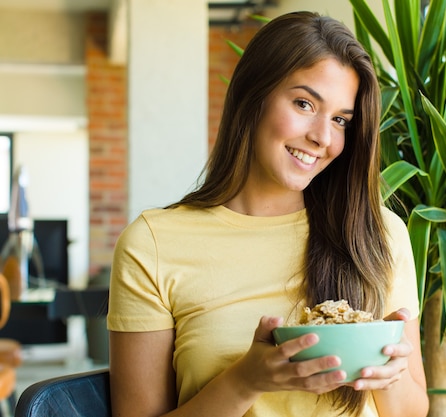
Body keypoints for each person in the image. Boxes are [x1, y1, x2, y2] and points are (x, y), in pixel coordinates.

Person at [107, 10, 429, 417]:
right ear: (252, 96)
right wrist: (246, 381)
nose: (323, 138)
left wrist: (388, 369)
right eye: (303, 103)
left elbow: (411, 411)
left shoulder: (376, 233)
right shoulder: (153, 243)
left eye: (341, 120)